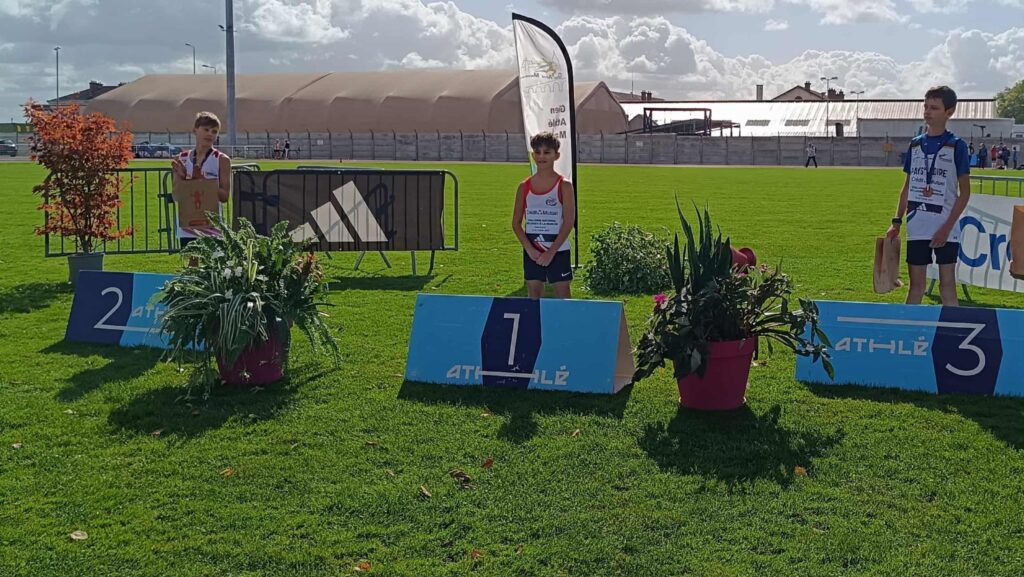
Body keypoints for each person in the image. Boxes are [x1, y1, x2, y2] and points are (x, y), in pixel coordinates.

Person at [885, 86, 970, 307]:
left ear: (949, 112)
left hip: (946, 227)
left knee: (947, 287)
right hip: (918, 226)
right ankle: (906, 336)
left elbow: (965, 192)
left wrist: (946, 228)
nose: (927, 112)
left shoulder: (957, 145)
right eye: (925, 106)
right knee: (917, 287)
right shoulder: (915, 144)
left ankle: (954, 338)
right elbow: (907, 187)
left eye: (934, 107)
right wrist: (896, 222)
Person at [512, 131, 576, 299]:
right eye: (538, 152)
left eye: (547, 152)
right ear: (533, 155)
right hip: (533, 251)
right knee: (533, 293)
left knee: (562, 294)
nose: (542, 156)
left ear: (557, 155)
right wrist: (529, 249)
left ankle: (564, 325)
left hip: (558, 250)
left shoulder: (564, 186)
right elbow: (516, 223)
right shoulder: (524, 187)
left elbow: (569, 222)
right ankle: (534, 325)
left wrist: (551, 252)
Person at [170, 111, 231, 250]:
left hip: (211, 222)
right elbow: (176, 196)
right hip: (188, 221)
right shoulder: (182, 159)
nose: (210, 134)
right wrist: (183, 179)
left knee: (213, 266)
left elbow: (225, 197)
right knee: (192, 266)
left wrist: (204, 184)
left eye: (214, 131)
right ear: (195, 130)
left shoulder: (222, 160)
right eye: (206, 129)